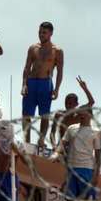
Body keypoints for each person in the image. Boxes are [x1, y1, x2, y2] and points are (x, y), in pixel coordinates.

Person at [22, 21, 64, 149]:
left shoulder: (57, 51)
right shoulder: (33, 48)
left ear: (50, 33)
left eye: (44, 33)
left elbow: (60, 72)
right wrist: (24, 84)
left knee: (44, 115)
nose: (41, 35)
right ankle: (27, 140)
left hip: (45, 83)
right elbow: (27, 68)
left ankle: (41, 139)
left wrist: (56, 89)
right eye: (40, 32)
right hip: (32, 81)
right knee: (26, 114)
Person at [51, 108, 101, 201]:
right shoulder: (71, 128)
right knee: (70, 199)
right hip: (72, 168)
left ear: (90, 116)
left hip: (87, 169)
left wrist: (96, 175)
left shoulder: (96, 132)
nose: (81, 116)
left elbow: (98, 155)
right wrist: (56, 153)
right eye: (80, 114)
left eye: (84, 114)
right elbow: (63, 143)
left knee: (86, 199)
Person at [50, 77, 95, 147]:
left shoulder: (79, 113)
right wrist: (54, 145)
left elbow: (91, 102)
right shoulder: (59, 115)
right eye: (66, 103)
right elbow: (52, 133)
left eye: (70, 103)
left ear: (76, 104)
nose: (68, 105)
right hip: (62, 146)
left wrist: (85, 88)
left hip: (76, 147)